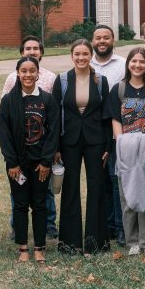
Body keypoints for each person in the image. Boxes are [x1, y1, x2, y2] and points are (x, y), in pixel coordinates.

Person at [0, 56, 60, 263]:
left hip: (40, 163)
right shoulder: (9, 100)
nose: (28, 75)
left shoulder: (47, 100)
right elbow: (4, 133)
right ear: (17, 73)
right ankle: (23, 248)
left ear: (38, 73)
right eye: (23, 71)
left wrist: (46, 162)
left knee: (40, 204)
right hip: (18, 164)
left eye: (32, 70)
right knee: (20, 205)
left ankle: (40, 248)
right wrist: (12, 163)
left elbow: (53, 132)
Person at [53, 39, 112, 255]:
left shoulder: (100, 81)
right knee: (70, 189)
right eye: (77, 54)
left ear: (90, 56)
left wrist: (108, 144)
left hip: (96, 140)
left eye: (85, 54)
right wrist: (56, 147)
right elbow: (54, 116)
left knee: (97, 188)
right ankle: (70, 243)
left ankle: (96, 243)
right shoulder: (62, 80)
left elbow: (106, 115)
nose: (81, 58)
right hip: (69, 140)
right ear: (72, 56)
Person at [109, 47, 145, 256]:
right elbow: (115, 118)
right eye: (134, 61)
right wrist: (120, 141)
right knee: (128, 198)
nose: (137, 65)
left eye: (142, 62)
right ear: (128, 63)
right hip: (126, 152)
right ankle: (132, 241)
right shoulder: (119, 89)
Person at [89, 25, 127, 247]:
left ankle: (119, 227)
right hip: (93, 130)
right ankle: (106, 223)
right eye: (98, 38)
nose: (102, 41)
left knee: (115, 178)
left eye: (106, 37)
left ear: (113, 40)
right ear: (92, 41)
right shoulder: (85, 61)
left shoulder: (123, 65)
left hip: (117, 127)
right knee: (99, 178)